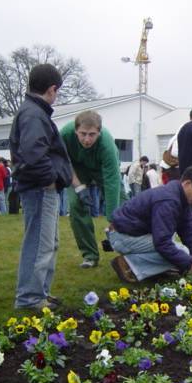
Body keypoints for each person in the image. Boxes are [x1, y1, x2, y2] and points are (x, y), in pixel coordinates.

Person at [9, 63, 72, 309]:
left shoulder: (32, 112)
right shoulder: (34, 114)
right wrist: (50, 179)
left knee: (48, 243)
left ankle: (39, 291)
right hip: (40, 188)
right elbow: (34, 153)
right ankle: (29, 297)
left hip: (40, 187)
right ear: (52, 89)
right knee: (38, 243)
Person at [108, 165, 192, 283]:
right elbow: (162, 243)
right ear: (187, 184)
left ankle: (156, 269)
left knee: (177, 250)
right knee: (182, 252)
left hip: (133, 233)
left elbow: (190, 234)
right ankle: (129, 265)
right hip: (122, 236)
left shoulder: (181, 199)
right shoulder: (169, 200)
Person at [60, 111, 127, 268]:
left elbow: (112, 182)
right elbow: (63, 162)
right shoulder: (64, 134)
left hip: (102, 169)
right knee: (76, 204)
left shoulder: (107, 144)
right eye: (83, 134)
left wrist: (113, 219)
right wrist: (79, 187)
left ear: (99, 132)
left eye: (92, 135)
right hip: (76, 169)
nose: (87, 139)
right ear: (76, 130)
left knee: (123, 205)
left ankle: (131, 251)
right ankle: (89, 255)